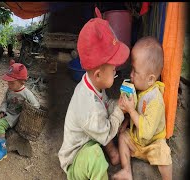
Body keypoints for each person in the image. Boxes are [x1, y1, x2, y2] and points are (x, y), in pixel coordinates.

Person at [58, 7, 130, 180]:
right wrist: (119, 112)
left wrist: (117, 105)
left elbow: (104, 105)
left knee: (108, 115)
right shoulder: (89, 107)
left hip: (91, 132)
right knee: (96, 155)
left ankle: (112, 154)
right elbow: (104, 131)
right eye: (114, 70)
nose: (115, 72)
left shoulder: (93, 85)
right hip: (76, 158)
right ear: (98, 74)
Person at [113, 36, 172, 180]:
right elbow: (134, 115)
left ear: (151, 79)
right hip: (137, 141)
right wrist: (126, 120)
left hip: (152, 144)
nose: (131, 75)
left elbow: (147, 131)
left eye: (135, 71)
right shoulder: (139, 88)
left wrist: (131, 110)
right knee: (122, 137)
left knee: (164, 152)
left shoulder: (155, 100)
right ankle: (127, 171)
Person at [0, 60, 40, 162]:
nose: (9, 84)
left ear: (22, 81)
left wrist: (25, 110)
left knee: (0, 125)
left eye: (12, 82)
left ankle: (2, 150)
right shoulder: (10, 89)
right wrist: (2, 111)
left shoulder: (26, 93)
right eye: (8, 82)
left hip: (14, 116)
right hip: (6, 111)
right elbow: (5, 101)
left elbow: (36, 105)